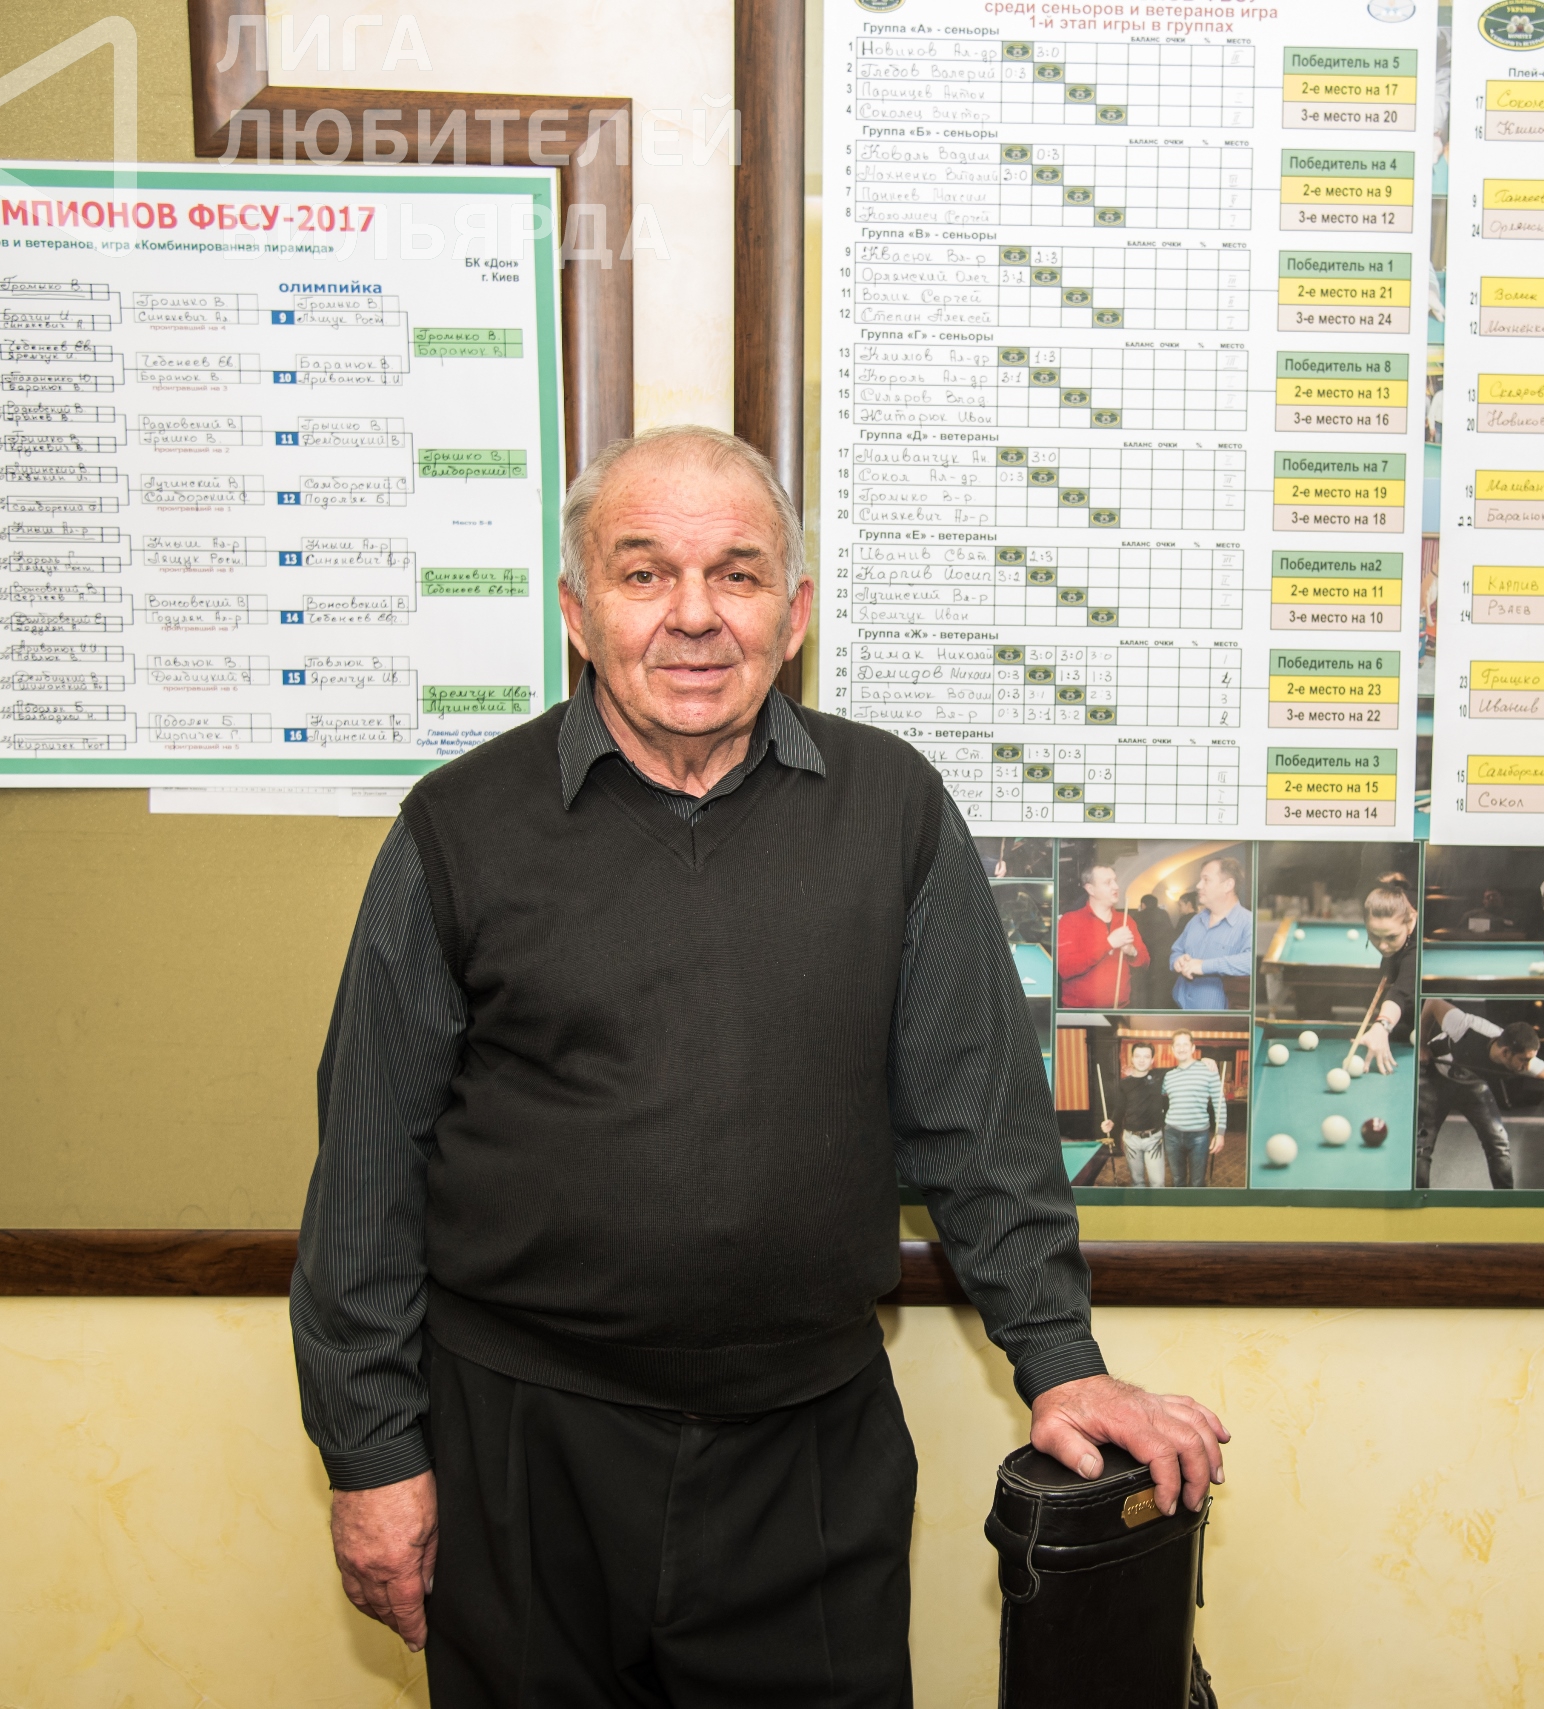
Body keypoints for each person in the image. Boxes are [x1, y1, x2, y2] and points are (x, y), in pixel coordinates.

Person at [291, 424, 1227, 1701]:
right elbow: (367, 1170)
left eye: (735, 574)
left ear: (792, 614)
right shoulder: (455, 829)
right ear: (577, 610)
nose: (693, 615)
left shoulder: (893, 808)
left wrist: (1061, 1360)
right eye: (643, 573)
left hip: (809, 1460)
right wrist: (371, 1454)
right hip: (521, 1450)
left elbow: (980, 1125)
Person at [1416, 1007, 1544, 1189]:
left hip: (1472, 1084)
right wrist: (1422, 1044)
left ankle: (1506, 1203)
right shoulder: (1464, 1025)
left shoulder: (1520, 1058)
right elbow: (1433, 1003)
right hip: (1436, 1076)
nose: (1527, 1067)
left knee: (1498, 1144)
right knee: (1422, 1147)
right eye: (1523, 1061)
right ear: (1505, 1052)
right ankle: (1420, 1200)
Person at [1346, 874, 1421, 1073]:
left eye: (1391, 937)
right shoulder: (1398, 904)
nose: (1383, 946)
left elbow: (1401, 991)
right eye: (1374, 936)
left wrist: (1383, 1026)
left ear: (1411, 922)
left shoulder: (1417, 951)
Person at [1055, 862, 1148, 1009]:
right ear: (1090, 889)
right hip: (1080, 1012)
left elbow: (1145, 962)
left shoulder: (1126, 920)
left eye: (1115, 880)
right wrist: (1109, 943)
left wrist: (1132, 952)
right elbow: (1065, 969)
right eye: (1107, 882)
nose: (1116, 886)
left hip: (1121, 1009)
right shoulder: (1070, 920)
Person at [1168, 854, 1253, 1009]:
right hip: (1180, 1007)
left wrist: (1204, 966)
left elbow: (1251, 961)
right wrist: (1177, 960)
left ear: (1228, 885)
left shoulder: (1248, 922)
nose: (1198, 885)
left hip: (1216, 1018)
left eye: (1206, 880)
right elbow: (1176, 950)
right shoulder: (1195, 920)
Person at [1157, 1030, 1227, 1187]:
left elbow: (1219, 1102)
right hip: (1172, 1135)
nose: (1181, 1048)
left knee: (1197, 1183)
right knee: (1177, 1181)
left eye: (1185, 1044)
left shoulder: (1208, 1070)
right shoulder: (1168, 1076)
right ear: (1172, 1049)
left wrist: (1220, 1133)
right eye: (1177, 1045)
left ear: (1193, 1048)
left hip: (1199, 1137)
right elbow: (1152, 1094)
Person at [1102, 1039, 1169, 1188]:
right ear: (1132, 1058)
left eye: (1146, 1056)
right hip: (1131, 1139)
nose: (1141, 1060)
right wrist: (1111, 1121)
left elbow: (1183, 1066)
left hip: (1154, 1139)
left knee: (1158, 1183)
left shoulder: (1158, 1075)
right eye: (1138, 1056)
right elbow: (1120, 1107)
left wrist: (1204, 1060)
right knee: (1137, 1182)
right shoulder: (1124, 1083)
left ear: (1152, 1060)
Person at [1132, 891, 1177, 1007]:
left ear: (1143, 904)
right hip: (1163, 956)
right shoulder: (1164, 913)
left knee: (1146, 986)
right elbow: (1171, 933)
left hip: (1146, 956)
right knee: (1161, 986)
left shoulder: (1138, 916)